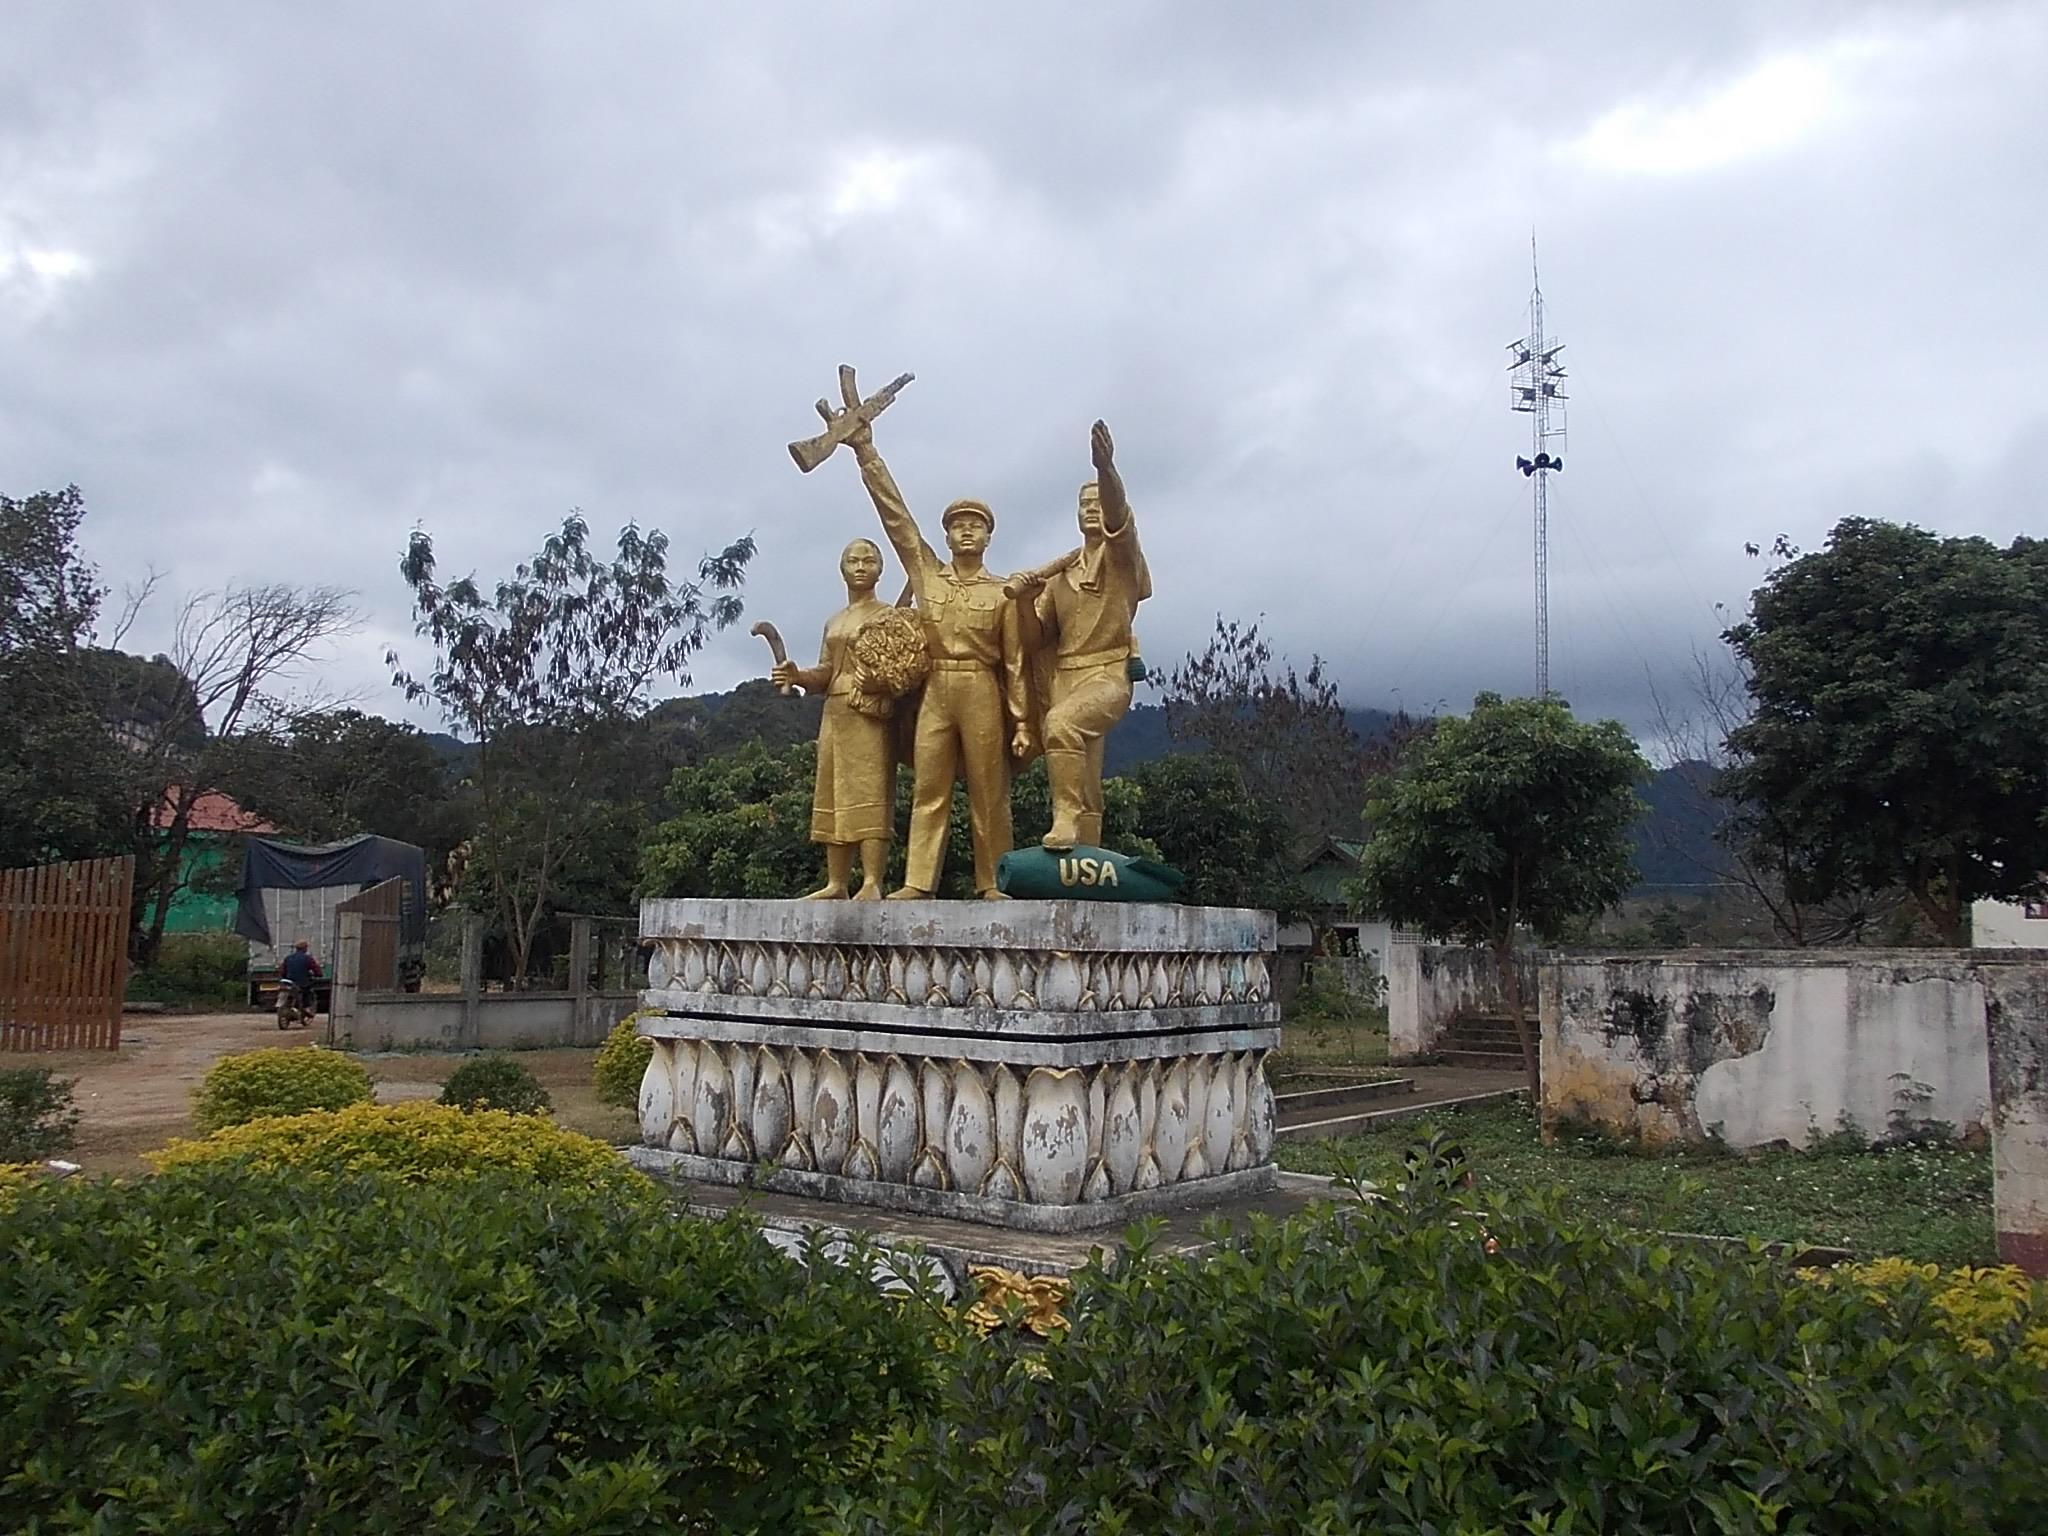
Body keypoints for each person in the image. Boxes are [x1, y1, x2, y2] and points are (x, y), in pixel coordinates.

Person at [841, 416, 1033, 899]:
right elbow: (897, 520)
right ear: (947, 537)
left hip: (982, 688)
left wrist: (1023, 721)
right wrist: (867, 453)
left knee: (990, 792)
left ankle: (993, 880)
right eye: (958, 527)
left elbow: (1013, 663)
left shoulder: (1003, 592)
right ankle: (918, 883)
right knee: (930, 789)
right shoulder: (929, 576)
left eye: (976, 527)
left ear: (989, 537)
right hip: (938, 690)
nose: (967, 533)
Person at [1011, 420, 1150, 849]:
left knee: (1062, 724)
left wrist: (1105, 470)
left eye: (1096, 501)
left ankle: (1065, 818)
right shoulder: (1060, 577)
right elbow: (1036, 640)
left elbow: (1118, 518)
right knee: (1083, 772)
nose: (1092, 507)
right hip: (1064, 675)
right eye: (1083, 502)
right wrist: (1022, 601)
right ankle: (1085, 852)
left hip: (1107, 674)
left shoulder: (1123, 559)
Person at [770, 538, 897, 899]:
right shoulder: (834, 621)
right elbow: (825, 671)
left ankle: (872, 880)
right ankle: (836, 882)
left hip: (869, 712)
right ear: (842, 569)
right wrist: (798, 675)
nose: (861, 566)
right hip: (835, 712)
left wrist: (878, 684)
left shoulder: (887, 614)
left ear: (879, 568)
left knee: (870, 789)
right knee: (834, 791)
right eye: (853, 560)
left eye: (868, 560)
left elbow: (900, 665)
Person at [278, 939, 321, 1023]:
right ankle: (306, 1008)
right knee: (307, 991)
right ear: (305, 948)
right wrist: (318, 974)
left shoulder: (288, 958)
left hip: (288, 982)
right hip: (301, 982)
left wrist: (284, 976)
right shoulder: (307, 958)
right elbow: (316, 969)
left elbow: (282, 970)